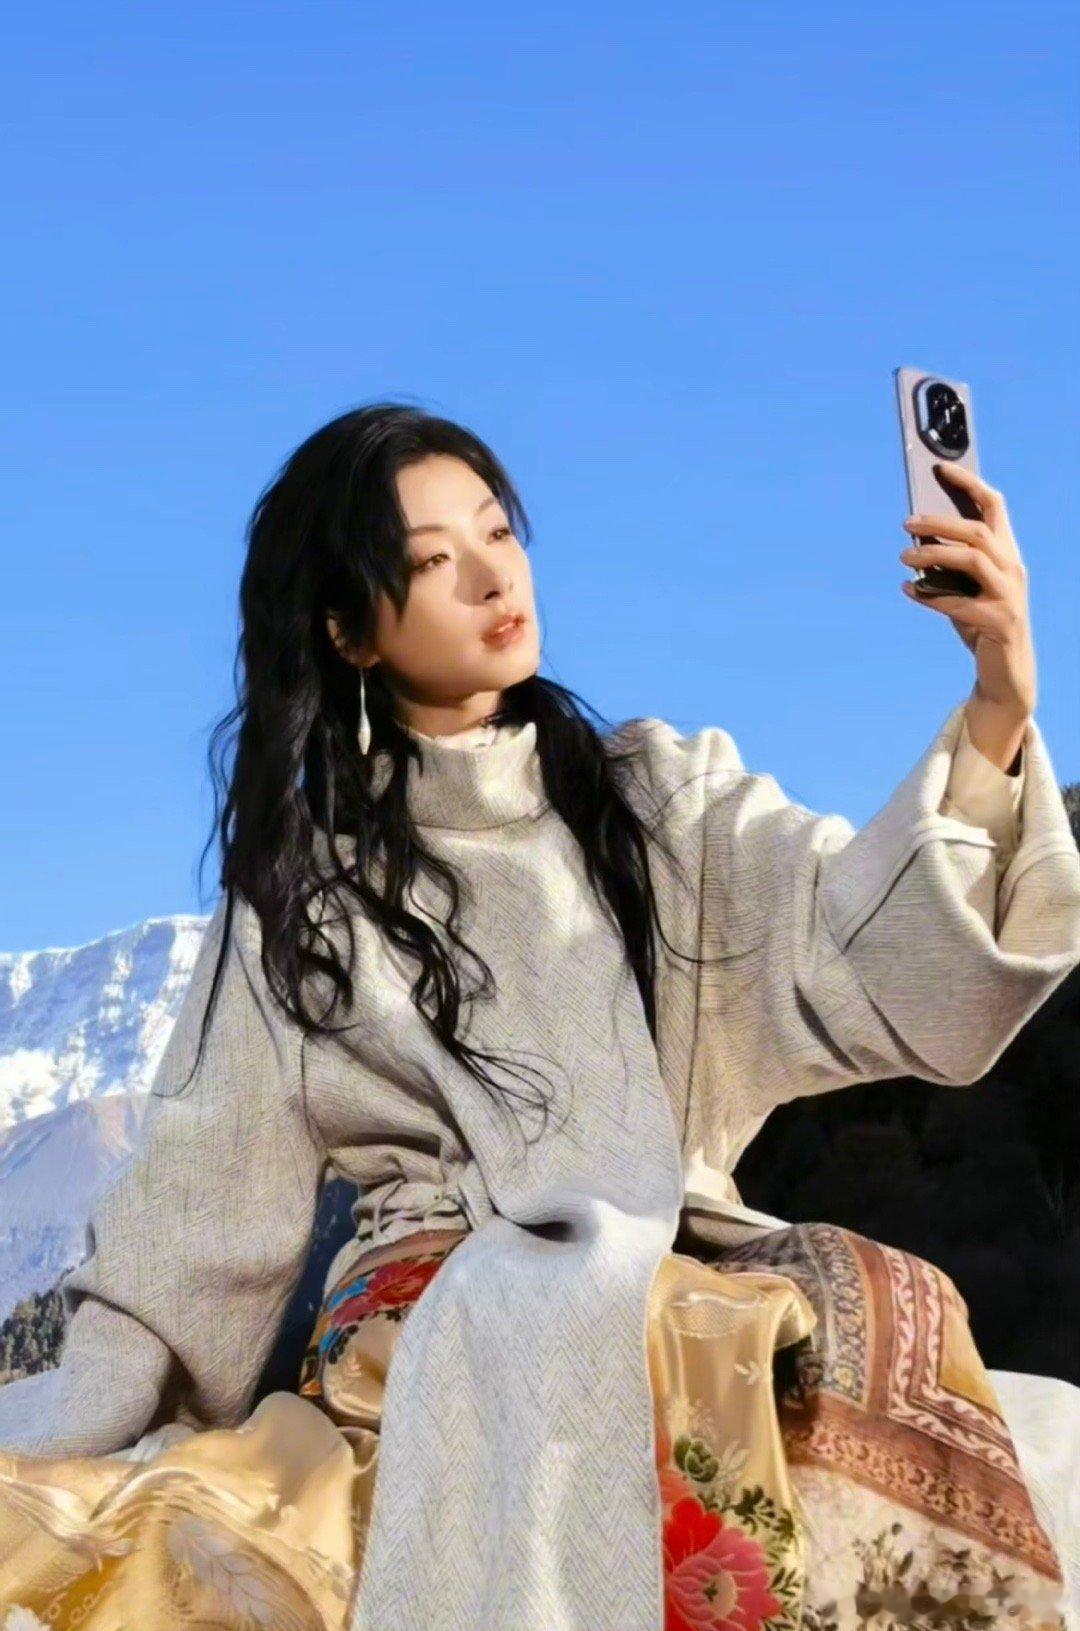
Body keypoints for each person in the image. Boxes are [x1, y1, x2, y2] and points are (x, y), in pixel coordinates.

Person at [1, 402, 1077, 1631]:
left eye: (498, 530)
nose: (491, 575)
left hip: (676, 1246)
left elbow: (873, 948)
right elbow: (202, 1207)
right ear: (350, 630)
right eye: (431, 559)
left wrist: (999, 699)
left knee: (884, 1292)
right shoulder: (304, 896)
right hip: (428, 1299)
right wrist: (85, 1406)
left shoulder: (660, 798)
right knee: (660, 1337)